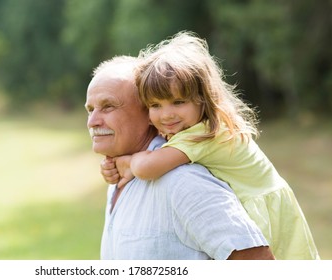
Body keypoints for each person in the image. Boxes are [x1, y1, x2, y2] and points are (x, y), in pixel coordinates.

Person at [101, 31, 319, 260]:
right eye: (155, 105)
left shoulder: (202, 135)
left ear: (202, 99)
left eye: (178, 102)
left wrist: (127, 162)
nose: (166, 115)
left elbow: (148, 168)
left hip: (265, 210)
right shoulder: (193, 127)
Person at [85, 55, 275, 259]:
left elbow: (257, 262)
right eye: (90, 110)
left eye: (108, 106)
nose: (92, 121)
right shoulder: (118, 178)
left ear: (147, 111)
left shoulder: (183, 181)